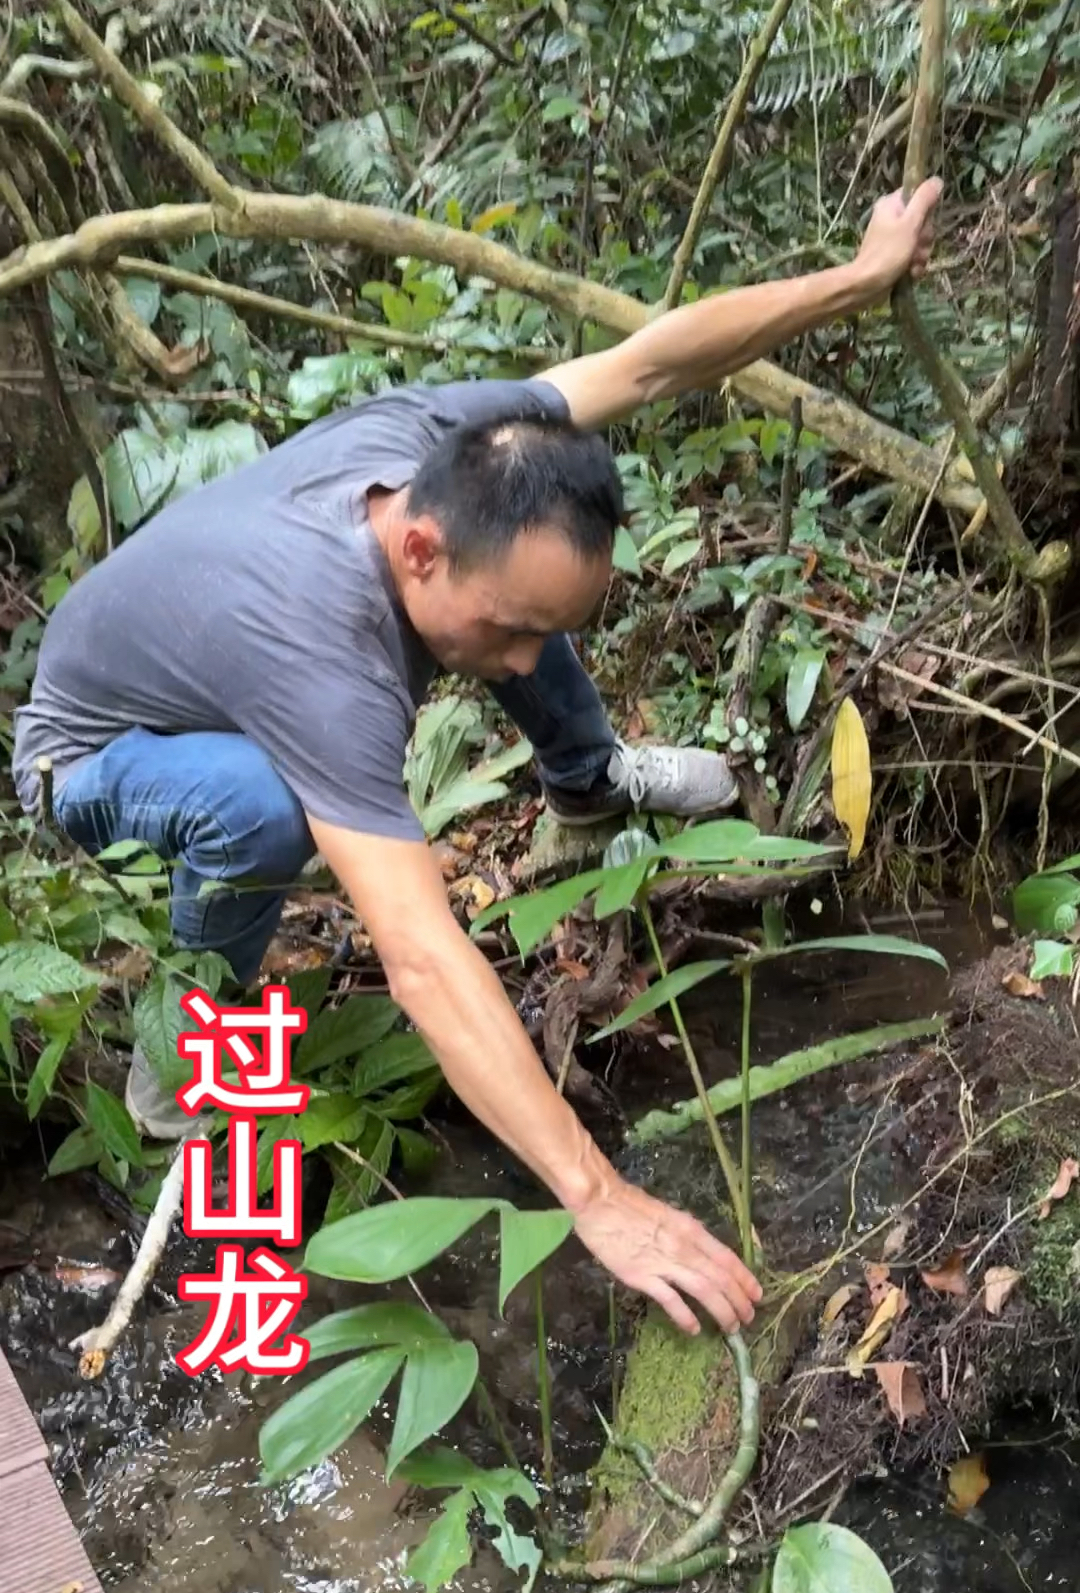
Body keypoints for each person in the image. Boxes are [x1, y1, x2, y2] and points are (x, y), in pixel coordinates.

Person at [13, 180, 940, 1339]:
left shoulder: (461, 452)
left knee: (520, 619)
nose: (519, 658)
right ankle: (191, 1034)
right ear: (416, 545)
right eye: (499, 626)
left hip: (206, 652)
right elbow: (420, 955)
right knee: (261, 808)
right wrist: (596, 1195)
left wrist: (856, 280)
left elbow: (653, 363)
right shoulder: (325, 654)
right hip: (88, 757)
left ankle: (586, 785)